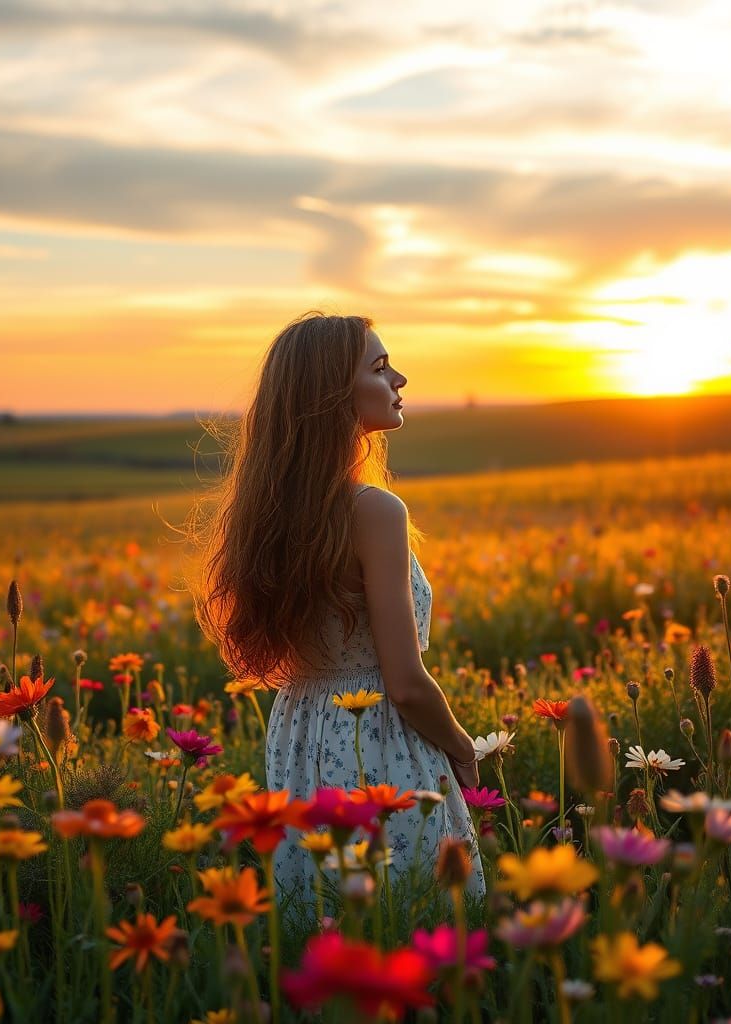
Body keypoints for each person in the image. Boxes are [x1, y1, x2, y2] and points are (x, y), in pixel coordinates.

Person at [191, 311, 485, 909]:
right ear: (331, 396)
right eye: (379, 367)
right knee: (412, 924)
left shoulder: (267, 516)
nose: (399, 378)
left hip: (297, 736)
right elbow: (404, 682)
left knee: (324, 924)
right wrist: (460, 745)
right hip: (375, 740)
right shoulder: (375, 510)